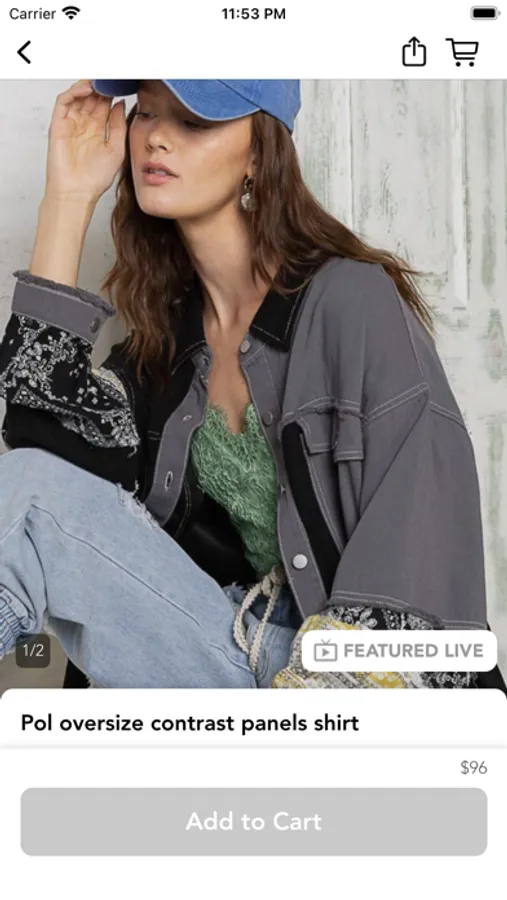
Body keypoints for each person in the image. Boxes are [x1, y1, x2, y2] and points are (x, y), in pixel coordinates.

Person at [0, 79, 503, 690]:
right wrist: (68, 198)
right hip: (232, 649)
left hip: (356, 687)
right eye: (148, 114)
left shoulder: (353, 301)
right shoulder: (166, 342)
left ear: (260, 154)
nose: (156, 138)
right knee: (25, 485)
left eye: (194, 122)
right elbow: (41, 458)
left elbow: (419, 542)